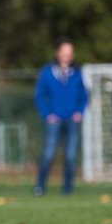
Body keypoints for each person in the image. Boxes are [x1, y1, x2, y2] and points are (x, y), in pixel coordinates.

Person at [34, 40, 90, 196]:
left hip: (72, 119)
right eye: (64, 53)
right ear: (58, 53)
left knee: (71, 156)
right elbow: (39, 96)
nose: (67, 56)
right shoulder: (47, 72)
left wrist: (79, 112)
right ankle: (40, 186)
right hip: (54, 120)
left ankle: (67, 188)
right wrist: (47, 114)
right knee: (49, 154)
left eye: (70, 53)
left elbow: (84, 96)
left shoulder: (77, 73)